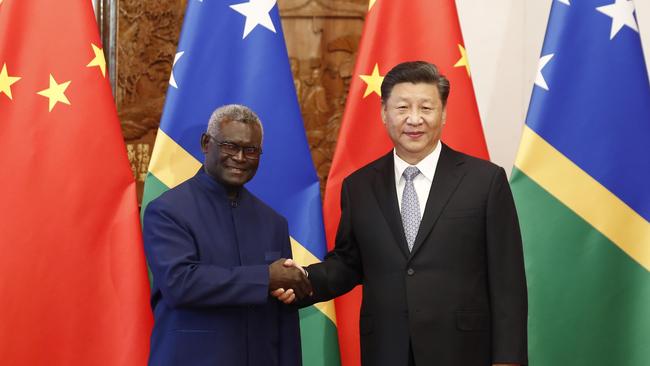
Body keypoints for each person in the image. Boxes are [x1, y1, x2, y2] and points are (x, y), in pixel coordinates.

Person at [274, 61, 528, 365]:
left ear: (444, 114)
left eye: (426, 108)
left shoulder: (485, 181)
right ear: (384, 113)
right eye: (403, 107)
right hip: (386, 349)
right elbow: (348, 263)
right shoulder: (359, 186)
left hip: (463, 350)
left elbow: (508, 281)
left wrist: (509, 359)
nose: (414, 119)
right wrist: (303, 279)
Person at [143, 104, 310, 366]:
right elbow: (180, 283)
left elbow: (283, 318)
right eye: (231, 146)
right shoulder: (167, 211)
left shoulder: (273, 222)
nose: (241, 158)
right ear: (206, 143)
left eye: (251, 150)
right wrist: (265, 277)